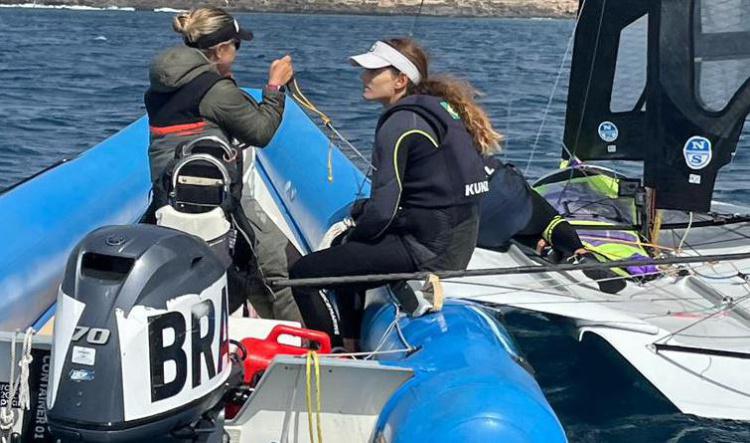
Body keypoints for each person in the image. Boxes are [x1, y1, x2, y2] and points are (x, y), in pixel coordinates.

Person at [289, 38, 500, 350]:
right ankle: (351, 343)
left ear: (401, 80)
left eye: (374, 72)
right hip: (455, 245)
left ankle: (330, 357)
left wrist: (360, 230)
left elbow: (383, 211)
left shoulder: (401, 122)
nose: (365, 77)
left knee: (303, 274)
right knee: (350, 251)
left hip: (425, 251)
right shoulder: (441, 109)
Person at [143, 7, 302, 322]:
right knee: (280, 266)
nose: (238, 53)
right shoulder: (214, 90)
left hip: (169, 196)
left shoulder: (166, 82)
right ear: (220, 49)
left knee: (249, 261)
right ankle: (299, 346)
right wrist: (275, 88)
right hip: (216, 200)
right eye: (236, 46)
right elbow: (259, 131)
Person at [477, 157, 627, 294]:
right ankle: (581, 253)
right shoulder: (472, 140)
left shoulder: (456, 146)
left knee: (505, 227)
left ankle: (544, 248)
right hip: (512, 202)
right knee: (548, 221)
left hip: (482, 225)